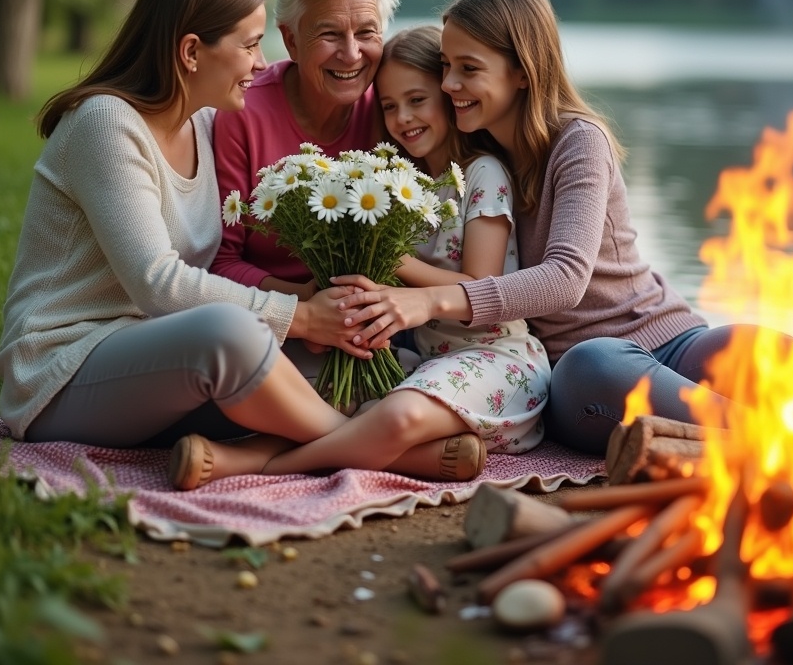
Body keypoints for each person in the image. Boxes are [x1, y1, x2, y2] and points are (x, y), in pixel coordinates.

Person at [333, 0, 793, 456]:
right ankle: (782, 444)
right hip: (585, 378)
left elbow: (566, 278)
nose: (449, 84)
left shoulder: (579, 141)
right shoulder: (474, 163)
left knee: (754, 350)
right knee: (591, 365)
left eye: (468, 69)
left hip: (672, 340)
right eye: (447, 68)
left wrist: (430, 299)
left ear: (522, 71)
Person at [0, 0, 378, 488]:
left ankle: (308, 441)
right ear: (192, 51)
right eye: (250, 44)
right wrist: (303, 317)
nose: (262, 62)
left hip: (160, 362)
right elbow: (157, 283)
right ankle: (375, 448)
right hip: (61, 373)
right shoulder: (107, 123)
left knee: (355, 368)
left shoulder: (203, 123)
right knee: (229, 333)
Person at [198, 24, 551, 480]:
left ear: (448, 96)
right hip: (425, 361)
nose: (403, 118)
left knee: (396, 415)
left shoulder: (483, 174)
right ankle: (429, 457)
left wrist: (396, 261)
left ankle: (256, 464)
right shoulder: (404, 187)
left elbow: (481, 289)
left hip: (498, 362)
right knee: (336, 395)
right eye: (389, 106)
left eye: (417, 100)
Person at [210, 0, 398, 304]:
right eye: (329, 34)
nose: (351, 54)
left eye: (366, 32)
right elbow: (222, 261)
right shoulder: (243, 113)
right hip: (276, 316)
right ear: (291, 40)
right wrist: (304, 302)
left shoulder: (395, 107)